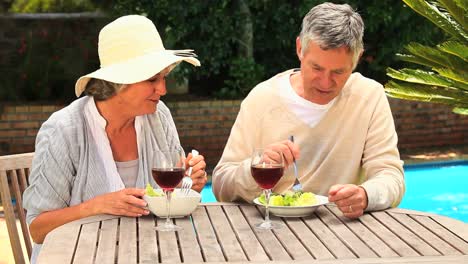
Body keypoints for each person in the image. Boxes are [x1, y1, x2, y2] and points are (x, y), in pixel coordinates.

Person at [22, 15, 207, 261]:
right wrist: (95, 207)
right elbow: (38, 229)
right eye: (152, 79)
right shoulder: (64, 129)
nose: (162, 89)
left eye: (164, 78)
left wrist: (187, 183)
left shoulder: (158, 116)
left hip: (143, 253)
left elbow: (170, 195)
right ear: (120, 81)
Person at [212, 2, 404, 218]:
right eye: (317, 68)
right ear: (299, 49)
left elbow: (390, 176)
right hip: (271, 233)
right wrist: (255, 168)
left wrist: (365, 195)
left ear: (356, 60)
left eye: (339, 72)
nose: (325, 82)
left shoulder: (369, 96)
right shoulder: (262, 99)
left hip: (343, 234)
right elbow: (221, 187)